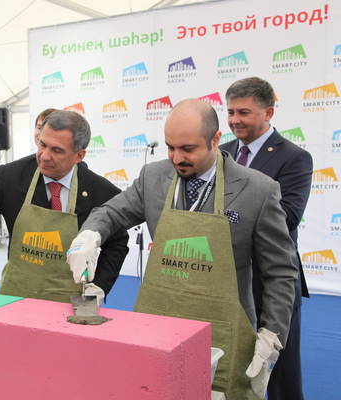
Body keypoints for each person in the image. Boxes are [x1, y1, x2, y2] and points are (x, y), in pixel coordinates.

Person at [67, 99, 298, 399]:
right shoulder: (154, 177)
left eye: (188, 149)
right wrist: (90, 234)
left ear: (215, 139)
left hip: (223, 330)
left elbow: (280, 272)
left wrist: (272, 333)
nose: (177, 158)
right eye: (170, 147)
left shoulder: (257, 190)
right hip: (157, 324)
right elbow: (111, 212)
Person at [0, 110, 129, 303]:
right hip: (15, 295)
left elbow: (117, 244)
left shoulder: (101, 193)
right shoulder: (12, 176)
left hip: (72, 300)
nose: (44, 156)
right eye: (42, 145)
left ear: (79, 155)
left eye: (57, 150)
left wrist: (99, 286)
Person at [221, 77, 312, 400]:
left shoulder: (295, 157)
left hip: (272, 279)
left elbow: (287, 217)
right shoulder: (220, 153)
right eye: (230, 112)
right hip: (228, 275)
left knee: (279, 372)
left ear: (268, 112)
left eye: (243, 112)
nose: (234, 120)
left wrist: (229, 217)